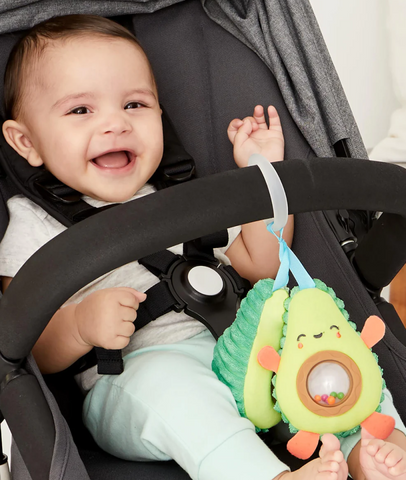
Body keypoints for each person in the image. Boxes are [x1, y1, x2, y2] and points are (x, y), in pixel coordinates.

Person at [0, 14, 405, 480]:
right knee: (177, 392)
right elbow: (22, 341)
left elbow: (264, 263)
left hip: (245, 355)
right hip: (133, 379)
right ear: (25, 141)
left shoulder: (183, 198)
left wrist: (262, 177)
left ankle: (376, 448)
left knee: (330, 342)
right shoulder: (31, 222)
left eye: (134, 104)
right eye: (80, 111)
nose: (115, 124)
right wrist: (79, 325)